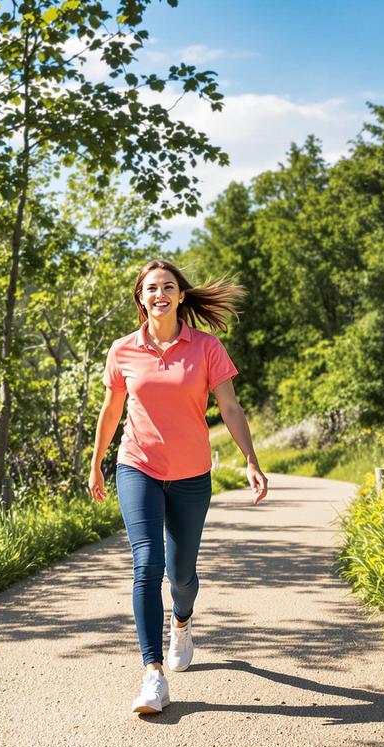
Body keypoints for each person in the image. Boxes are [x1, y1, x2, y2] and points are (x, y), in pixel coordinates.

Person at [88, 258, 268, 714]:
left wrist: (250, 459)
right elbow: (111, 413)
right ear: (141, 298)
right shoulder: (123, 350)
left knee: (181, 573)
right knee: (147, 563)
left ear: (181, 296)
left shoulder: (206, 347)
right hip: (137, 466)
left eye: (168, 286)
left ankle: (182, 621)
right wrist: (95, 465)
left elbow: (229, 407)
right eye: (151, 288)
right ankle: (153, 676)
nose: (159, 293)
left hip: (191, 475)